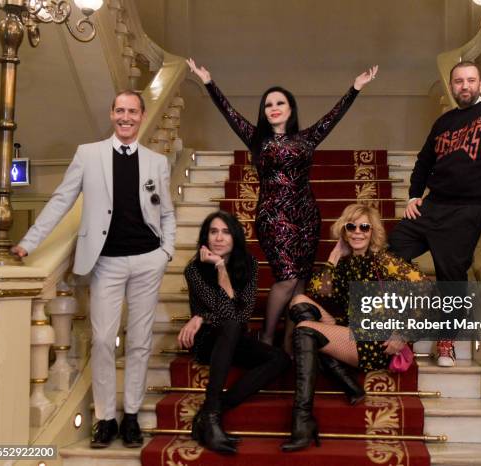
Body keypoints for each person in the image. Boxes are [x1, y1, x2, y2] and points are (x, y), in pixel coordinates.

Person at [11, 90, 176, 449]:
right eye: (120, 110)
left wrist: (167, 250)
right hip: (107, 262)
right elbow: (61, 200)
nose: (126, 117)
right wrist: (29, 241)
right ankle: (105, 419)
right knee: (102, 340)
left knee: (140, 341)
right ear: (111, 114)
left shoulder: (157, 161)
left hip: (148, 260)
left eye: (132, 111)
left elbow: (165, 213)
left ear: (142, 116)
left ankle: (131, 416)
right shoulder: (88, 154)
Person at [187, 58, 378, 345]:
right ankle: (266, 339)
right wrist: (209, 83)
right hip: (273, 217)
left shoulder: (306, 138)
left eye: (280, 103)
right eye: (268, 105)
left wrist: (355, 88)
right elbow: (229, 113)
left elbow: (332, 118)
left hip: (306, 216)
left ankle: (288, 345)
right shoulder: (257, 139)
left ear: (290, 110)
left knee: (300, 281)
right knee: (287, 278)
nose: (274, 108)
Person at [387, 61, 481, 367]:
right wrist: (415, 195)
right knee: (391, 254)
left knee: (452, 279)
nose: (465, 86)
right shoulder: (444, 123)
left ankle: (446, 342)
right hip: (432, 206)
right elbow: (423, 162)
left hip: (467, 210)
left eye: (471, 80)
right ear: (452, 86)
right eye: (459, 81)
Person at [281, 204, 425, 452]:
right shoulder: (346, 264)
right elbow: (317, 289)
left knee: (304, 328)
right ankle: (348, 383)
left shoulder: (384, 261)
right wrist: (334, 257)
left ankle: (302, 420)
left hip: (374, 342)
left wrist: (403, 334)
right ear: (344, 231)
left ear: (372, 232)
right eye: (351, 227)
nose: (357, 232)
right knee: (298, 302)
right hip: (351, 332)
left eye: (364, 227)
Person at [178, 211, 290, 454]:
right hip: (207, 341)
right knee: (230, 324)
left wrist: (202, 315)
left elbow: (244, 313)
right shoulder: (194, 270)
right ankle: (212, 419)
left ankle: (210, 412)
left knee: (280, 358)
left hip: (234, 335)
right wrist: (217, 269)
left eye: (226, 232)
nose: (219, 238)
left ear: (235, 236)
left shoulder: (248, 264)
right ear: (206, 237)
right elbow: (229, 313)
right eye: (214, 231)